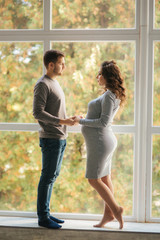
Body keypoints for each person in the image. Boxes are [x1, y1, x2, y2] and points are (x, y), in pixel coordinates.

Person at [74, 60, 126, 229]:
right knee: (104, 177)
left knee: (93, 179)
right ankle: (108, 215)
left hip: (100, 141)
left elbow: (104, 122)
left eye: (100, 74)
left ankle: (116, 209)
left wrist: (82, 120)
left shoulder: (110, 95)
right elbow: (100, 118)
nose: (97, 76)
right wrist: (84, 119)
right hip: (102, 140)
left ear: (107, 76)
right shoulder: (109, 94)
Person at [33, 50, 75, 229]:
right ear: (51, 65)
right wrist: (62, 121)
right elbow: (37, 112)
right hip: (50, 138)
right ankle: (43, 217)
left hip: (60, 137)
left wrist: (68, 120)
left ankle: (47, 213)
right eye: (61, 63)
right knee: (47, 177)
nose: (63, 66)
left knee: (53, 176)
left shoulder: (54, 83)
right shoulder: (42, 84)